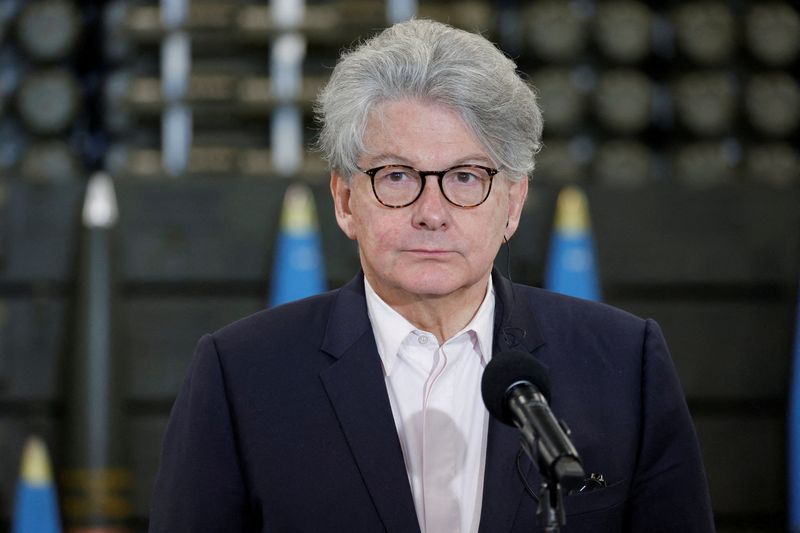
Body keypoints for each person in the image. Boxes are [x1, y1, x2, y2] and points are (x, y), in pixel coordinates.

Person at [150, 19, 714, 533]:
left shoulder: (623, 361)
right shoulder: (240, 374)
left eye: (466, 178)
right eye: (397, 176)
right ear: (345, 200)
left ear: (513, 203)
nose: (432, 211)